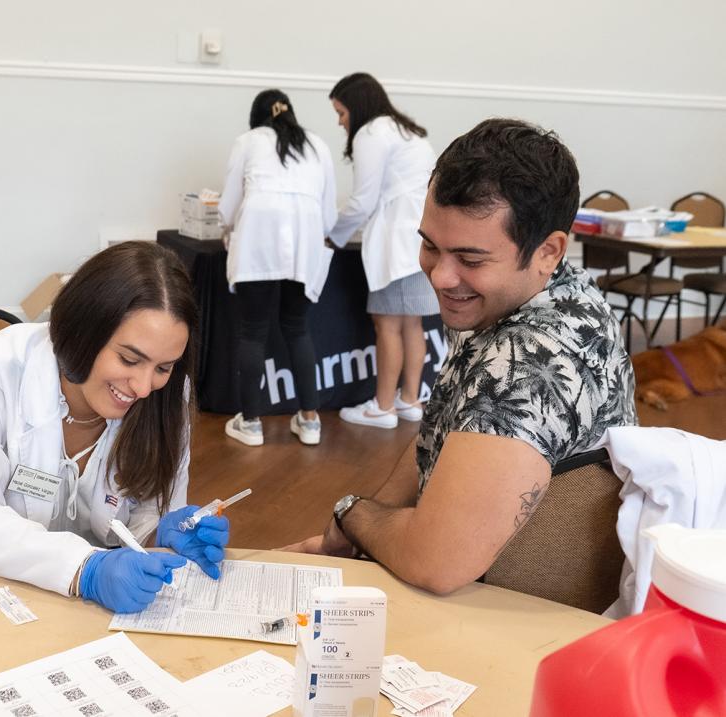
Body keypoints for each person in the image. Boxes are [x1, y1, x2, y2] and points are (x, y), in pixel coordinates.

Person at [287, 119, 638, 595]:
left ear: (547, 250)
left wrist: (352, 514)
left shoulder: (528, 360)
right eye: (431, 245)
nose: (440, 276)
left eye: (471, 260)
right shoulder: (534, 291)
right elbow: (442, 439)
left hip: (512, 615)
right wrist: (360, 533)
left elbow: (438, 563)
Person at [0, 241, 230, 614]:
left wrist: (164, 534)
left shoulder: (165, 397)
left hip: (82, 616)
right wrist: (85, 569)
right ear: (85, 331)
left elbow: (146, 516)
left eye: (163, 367)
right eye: (129, 359)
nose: (142, 386)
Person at [218, 89, 337, 447]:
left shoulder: (248, 141)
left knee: (253, 330)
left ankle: (251, 423)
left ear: (257, 118)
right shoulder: (318, 144)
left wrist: (227, 230)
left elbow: (226, 208)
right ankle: (311, 420)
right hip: (306, 243)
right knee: (298, 329)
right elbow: (329, 216)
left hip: (258, 238)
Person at [327, 72, 439, 430]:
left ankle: (383, 406)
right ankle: (409, 400)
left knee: (387, 324)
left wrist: (333, 235)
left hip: (396, 242)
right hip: (419, 237)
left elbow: (363, 200)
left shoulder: (371, 133)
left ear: (357, 107)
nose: (340, 121)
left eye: (341, 112)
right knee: (413, 324)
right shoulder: (406, 130)